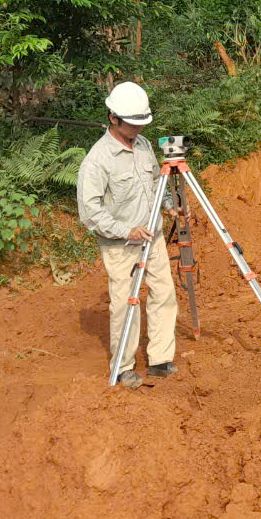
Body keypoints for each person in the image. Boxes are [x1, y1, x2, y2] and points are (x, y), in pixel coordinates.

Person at [76, 81, 178, 389]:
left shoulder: (145, 146)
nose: (137, 129)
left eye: (140, 123)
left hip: (154, 237)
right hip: (121, 244)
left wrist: (169, 206)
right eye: (132, 124)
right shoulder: (98, 160)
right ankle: (123, 365)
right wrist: (126, 230)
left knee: (164, 294)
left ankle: (160, 359)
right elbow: (90, 212)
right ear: (113, 118)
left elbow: (153, 188)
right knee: (125, 304)